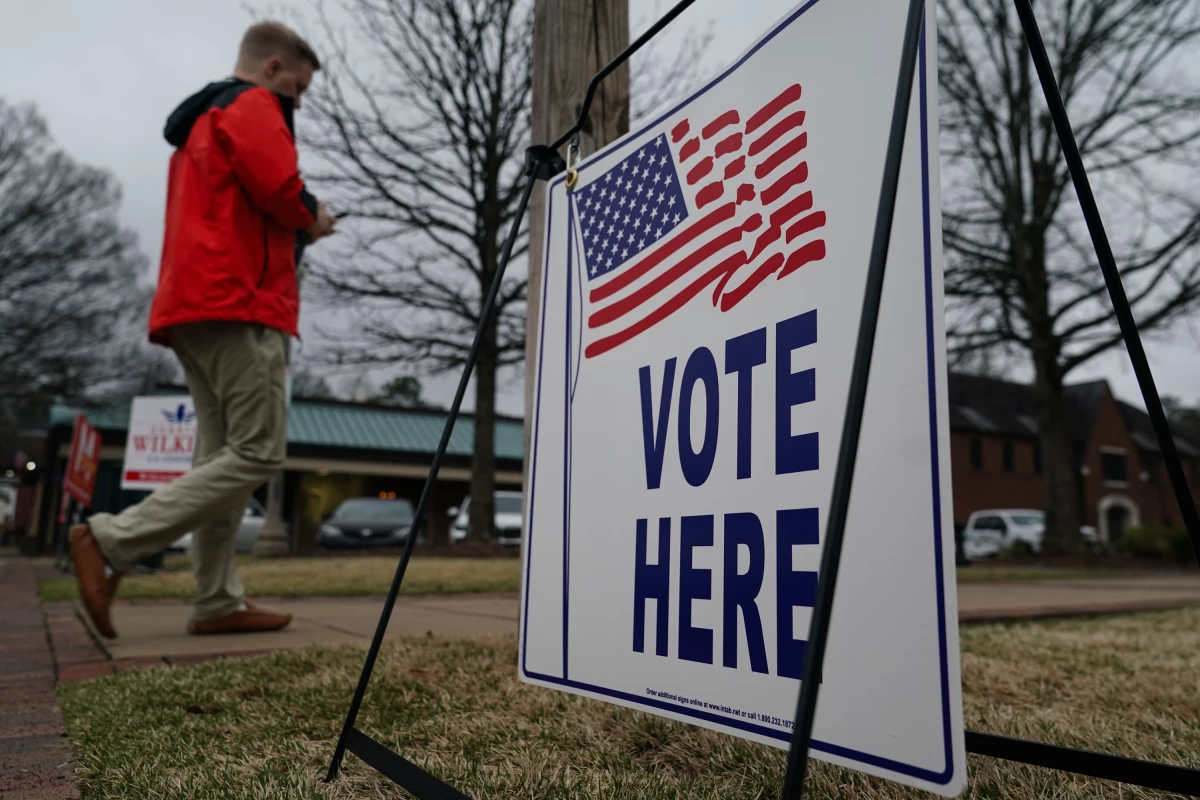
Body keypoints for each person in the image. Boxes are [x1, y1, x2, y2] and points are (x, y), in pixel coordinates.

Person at [69, 21, 337, 638]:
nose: (297, 103)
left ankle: (216, 600)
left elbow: (244, 199)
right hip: (237, 302)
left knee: (221, 455)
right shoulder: (252, 104)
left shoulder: (203, 119)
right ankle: (109, 538)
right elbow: (279, 187)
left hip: (195, 302)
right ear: (273, 68)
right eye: (297, 88)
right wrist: (311, 220)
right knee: (258, 451)